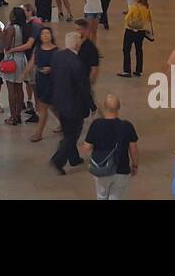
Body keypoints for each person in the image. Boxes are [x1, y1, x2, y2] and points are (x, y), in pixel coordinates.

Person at [49, 31, 94, 174]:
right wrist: (91, 105)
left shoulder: (57, 56)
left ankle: (74, 158)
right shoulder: (78, 64)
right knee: (72, 134)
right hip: (74, 105)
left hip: (59, 101)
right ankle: (58, 160)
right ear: (76, 44)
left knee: (68, 130)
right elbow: (84, 88)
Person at [81, 93, 139, 200]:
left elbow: (87, 147)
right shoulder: (127, 126)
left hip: (102, 168)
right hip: (121, 169)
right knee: (116, 197)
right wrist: (135, 165)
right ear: (119, 108)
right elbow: (133, 149)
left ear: (104, 107)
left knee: (101, 196)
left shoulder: (96, 124)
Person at [119, 0, 152, 78]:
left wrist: (128, 15)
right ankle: (139, 70)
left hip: (130, 30)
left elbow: (127, 18)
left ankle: (127, 70)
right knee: (139, 50)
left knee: (126, 49)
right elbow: (149, 18)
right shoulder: (146, 7)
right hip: (141, 31)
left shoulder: (134, 7)